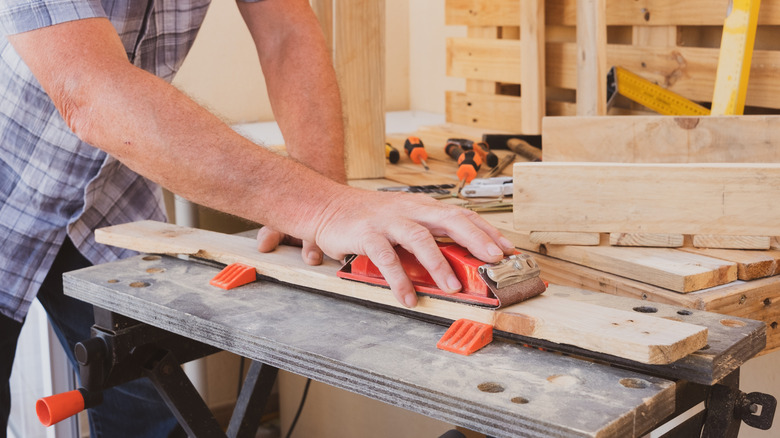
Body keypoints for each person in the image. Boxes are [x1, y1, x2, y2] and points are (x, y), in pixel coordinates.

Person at [0, 0, 516, 436]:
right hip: (8, 179)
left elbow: (286, 33)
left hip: (108, 195)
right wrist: (324, 206)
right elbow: (86, 90)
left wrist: (321, 198)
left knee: (150, 408)